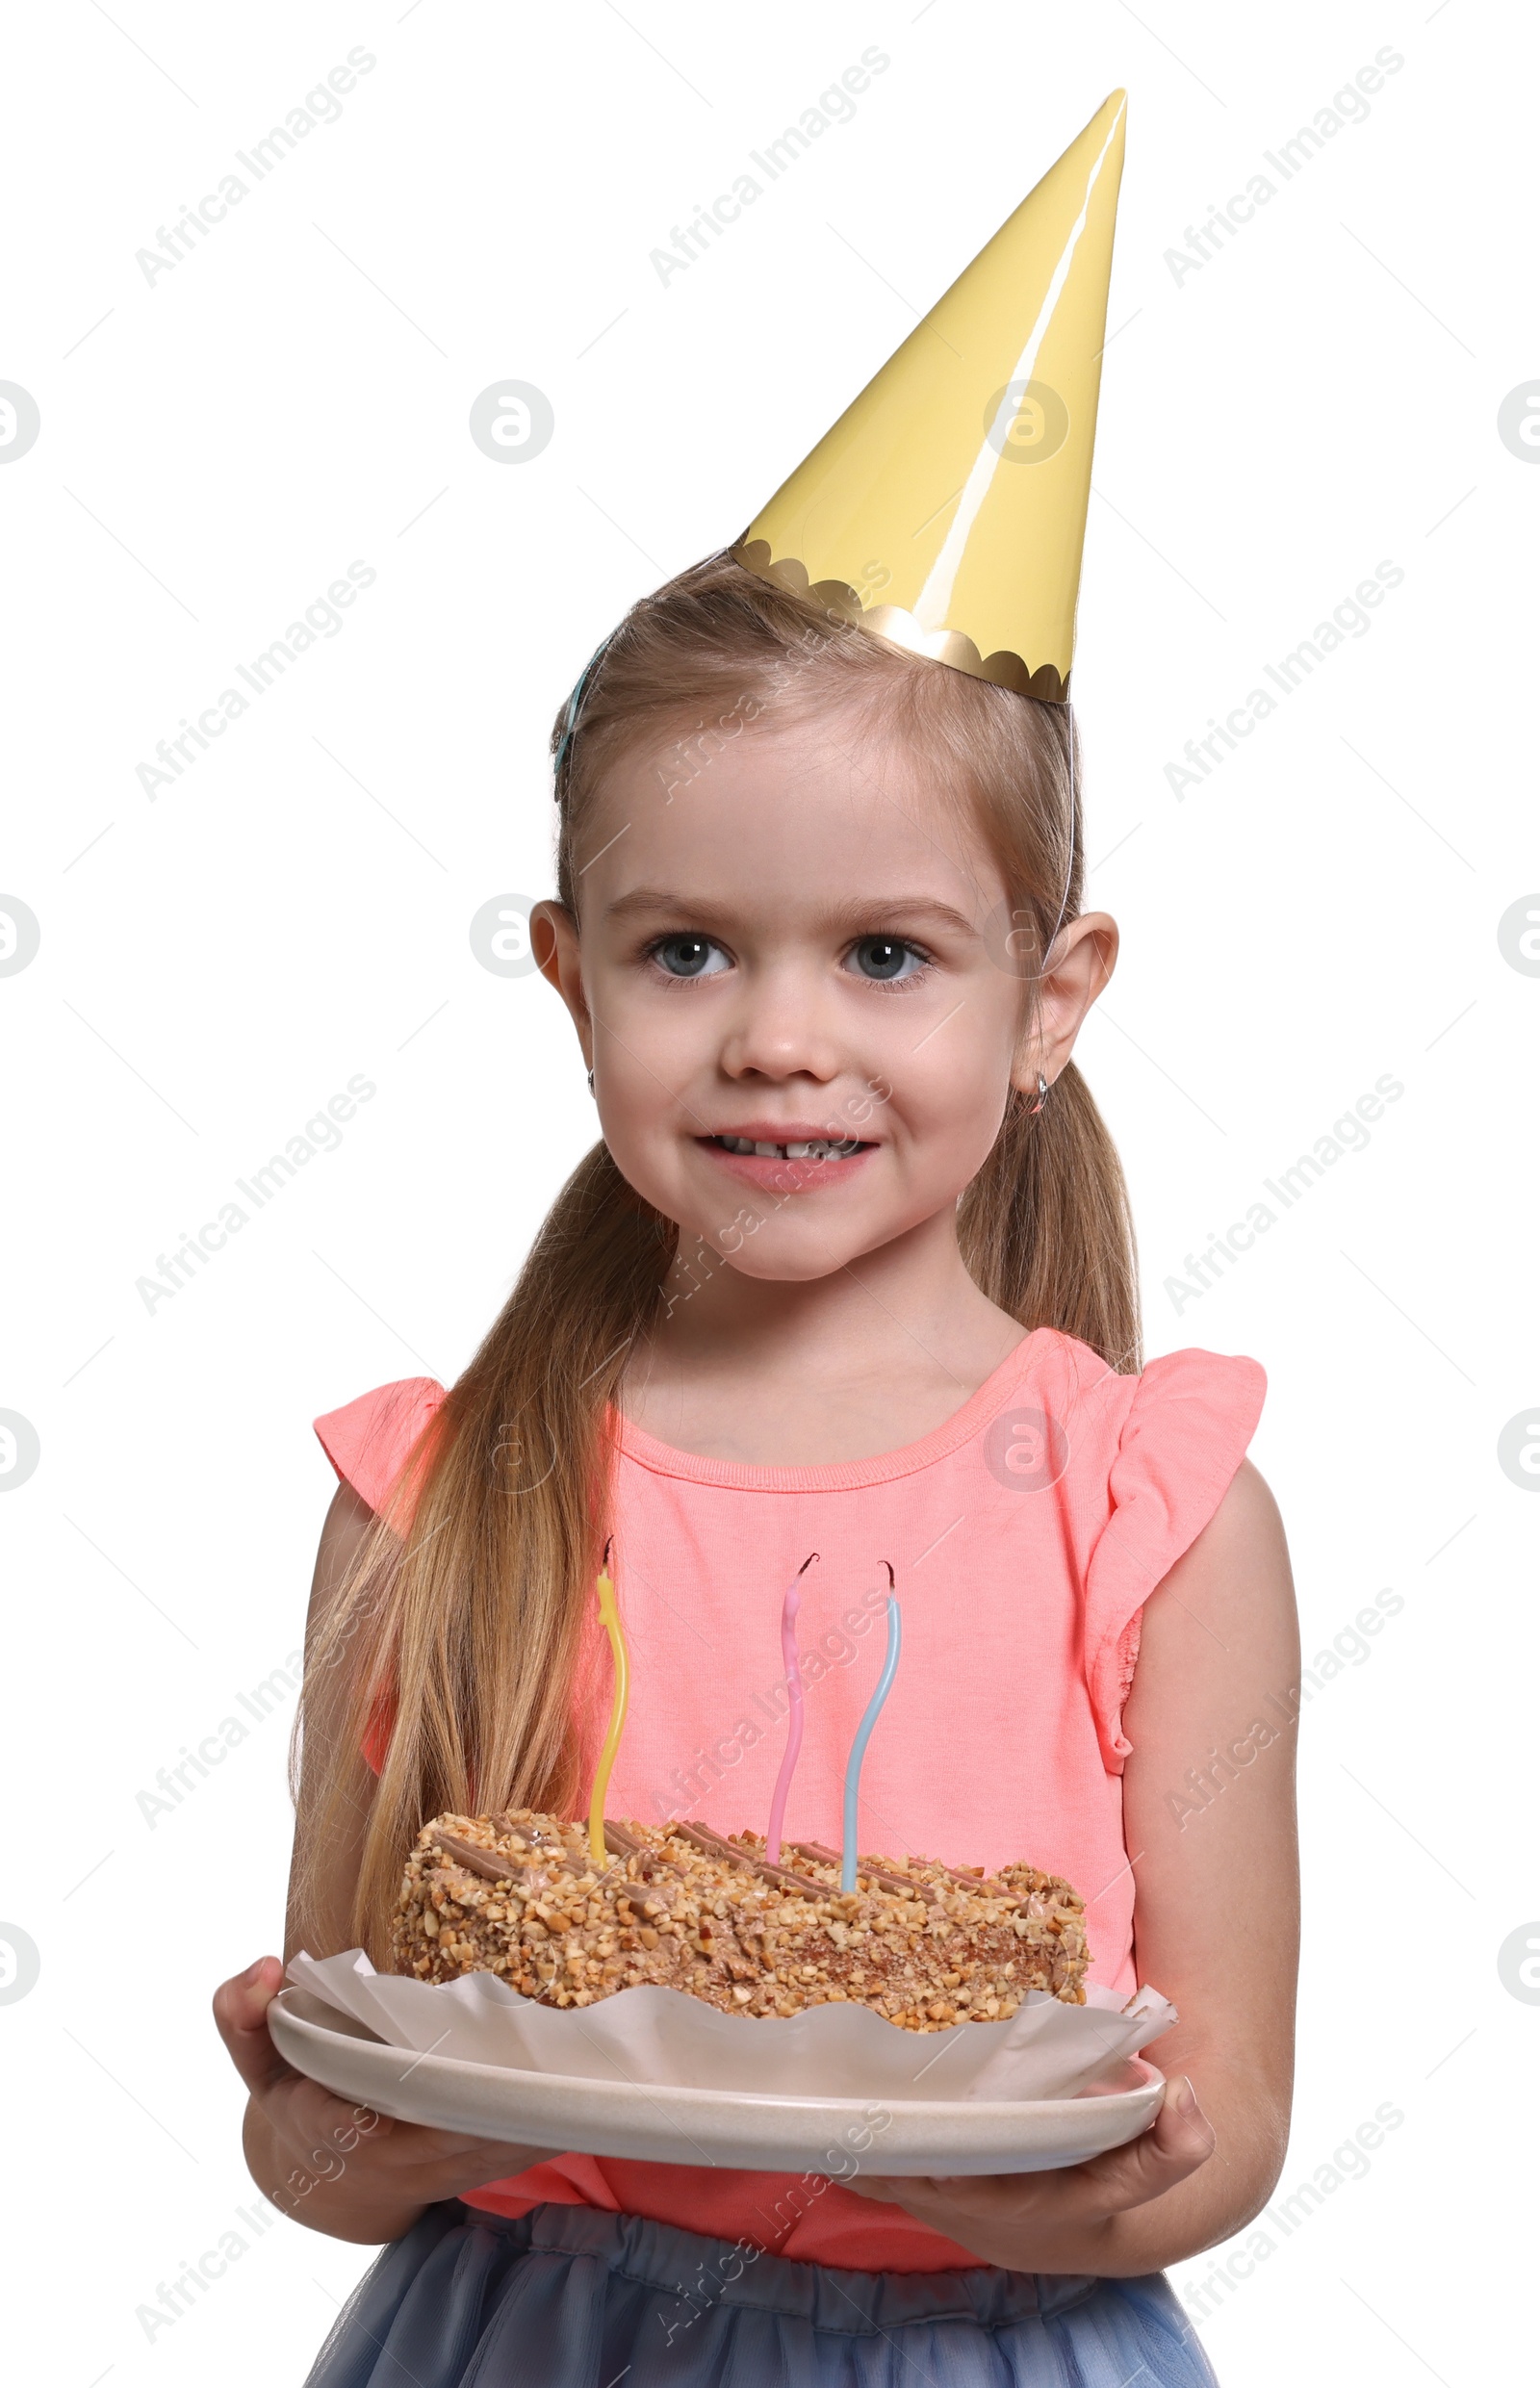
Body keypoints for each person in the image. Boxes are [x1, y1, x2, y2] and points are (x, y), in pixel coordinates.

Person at [214, 90, 1299, 2385]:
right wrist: (347, 2138)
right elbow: (323, 2121)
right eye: (688, 949)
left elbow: (1226, 2125)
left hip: (990, 2341)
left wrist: (1050, 2172)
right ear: (567, 972)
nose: (774, 1041)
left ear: (1048, 1000)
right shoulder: (431, 1495)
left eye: (884, 956)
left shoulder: (1157, 1514)